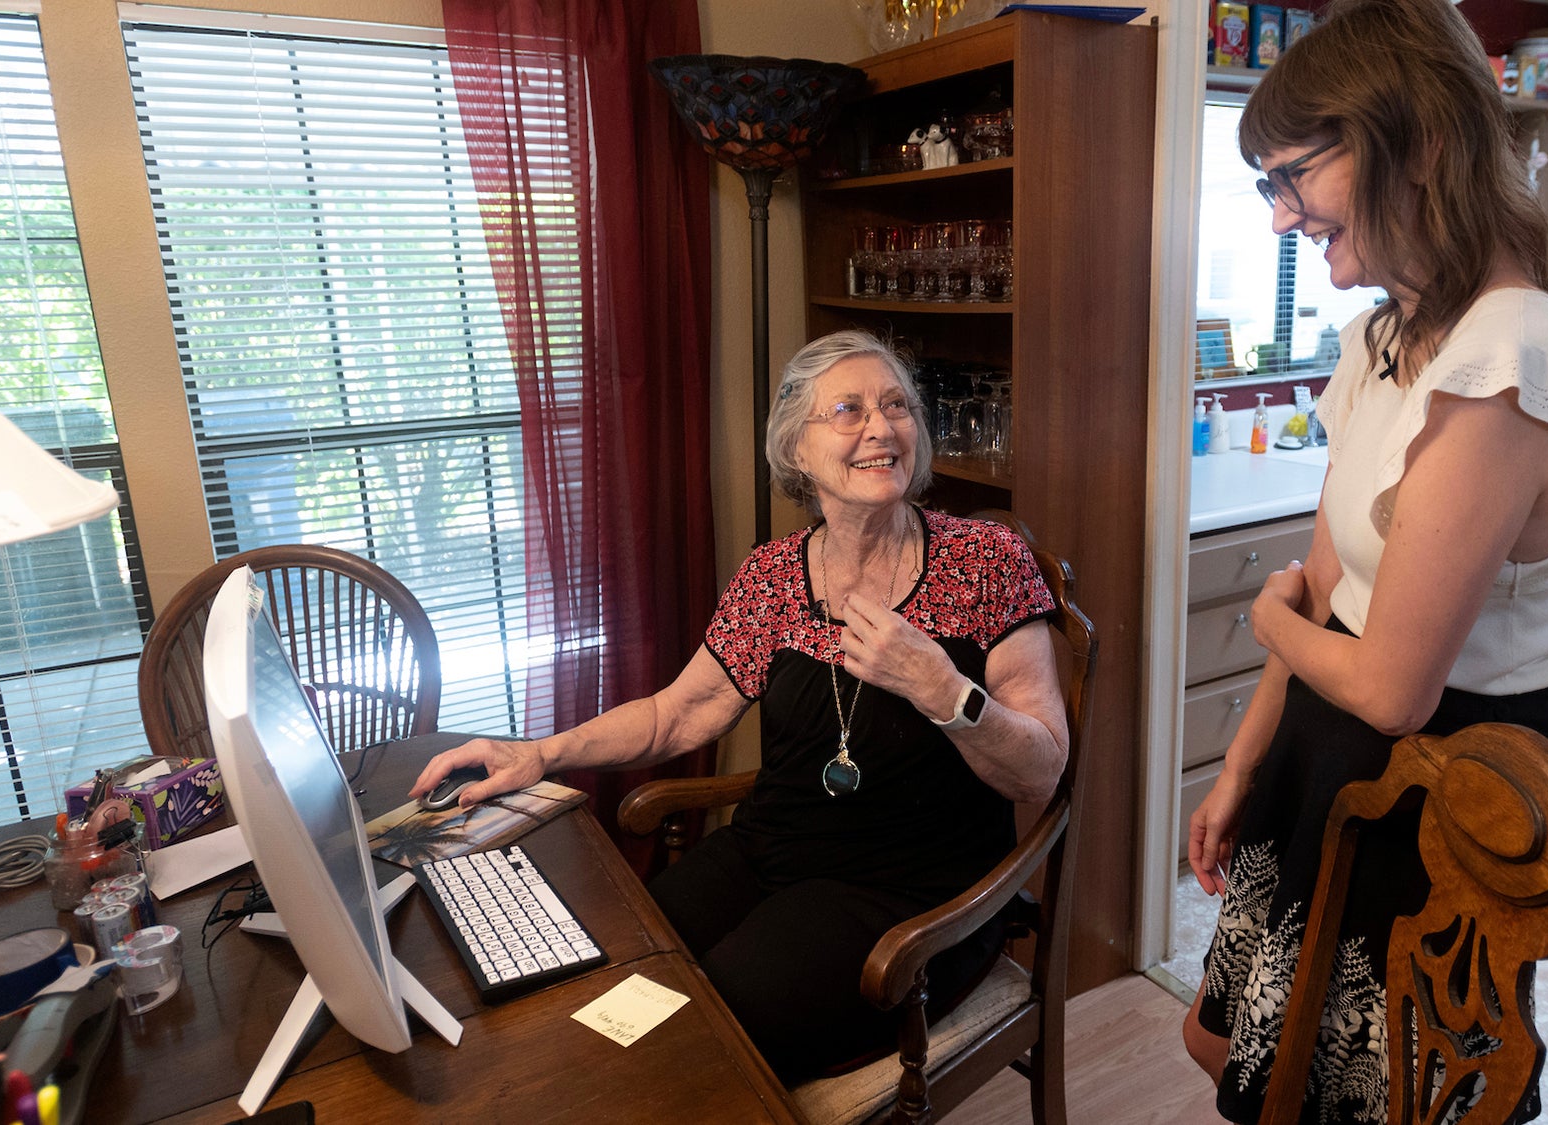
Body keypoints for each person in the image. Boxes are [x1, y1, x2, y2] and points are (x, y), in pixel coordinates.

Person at [1179, 1, 1548, 1122]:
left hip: (1434, 792)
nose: (1284, 218)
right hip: (1324, 751)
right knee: (1227, 1046)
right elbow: (1329, 566)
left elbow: (1392, 687)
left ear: (1422, 143)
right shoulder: (1393, 334)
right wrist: (1247, 751)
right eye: (1269, 188)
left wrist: (1268, 622)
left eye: (1294, 177)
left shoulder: (1509, 362)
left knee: (1357, 1091)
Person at [412, 329, 1068, 1079]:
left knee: (705, 1028)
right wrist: (536, 753)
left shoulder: (986, 563)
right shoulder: (773, 577)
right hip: (768, 854)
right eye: (848, 410)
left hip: (913, 896)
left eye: (896, 407)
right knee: (618, 973)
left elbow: (1041, 771)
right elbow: (676, 714)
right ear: (797, 449)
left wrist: (943, 688)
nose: (881, 428)